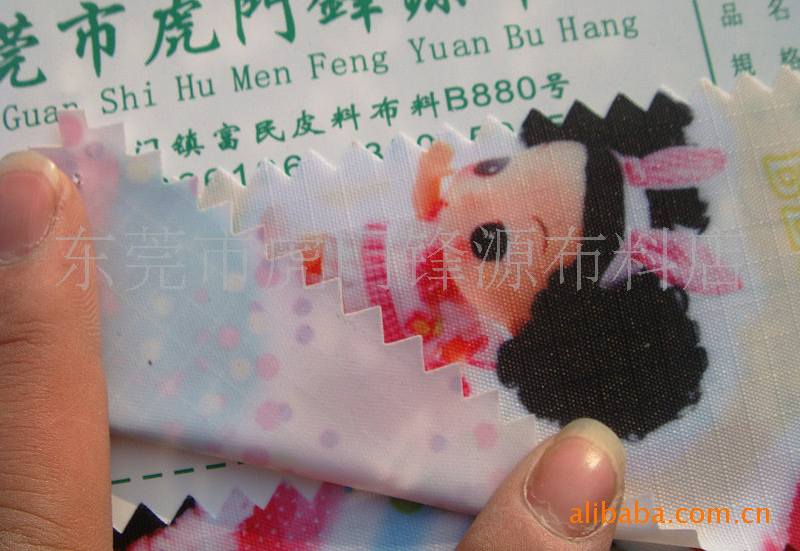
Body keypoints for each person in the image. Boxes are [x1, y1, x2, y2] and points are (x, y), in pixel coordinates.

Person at [0, 150, 626, 551]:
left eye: (496, 240)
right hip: (264, 345)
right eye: (492, 168)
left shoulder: (471, 351)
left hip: (319, 426)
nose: (474, 201)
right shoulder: (408, 247)